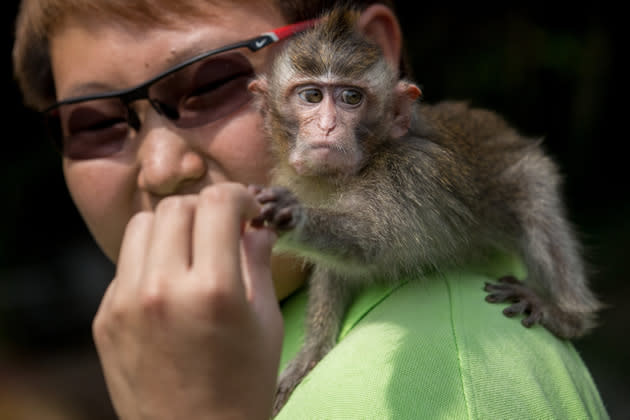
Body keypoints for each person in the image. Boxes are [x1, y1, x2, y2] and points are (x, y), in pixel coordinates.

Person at [13, 0, 608, 418]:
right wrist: (311, 355)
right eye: (90, 123)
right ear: (268, 107)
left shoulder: (455, 378)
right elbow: (332, 269)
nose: (163, 167)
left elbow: (369, 246)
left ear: (395, 107)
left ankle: (570, 304)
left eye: (207, 83)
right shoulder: (261, 306)